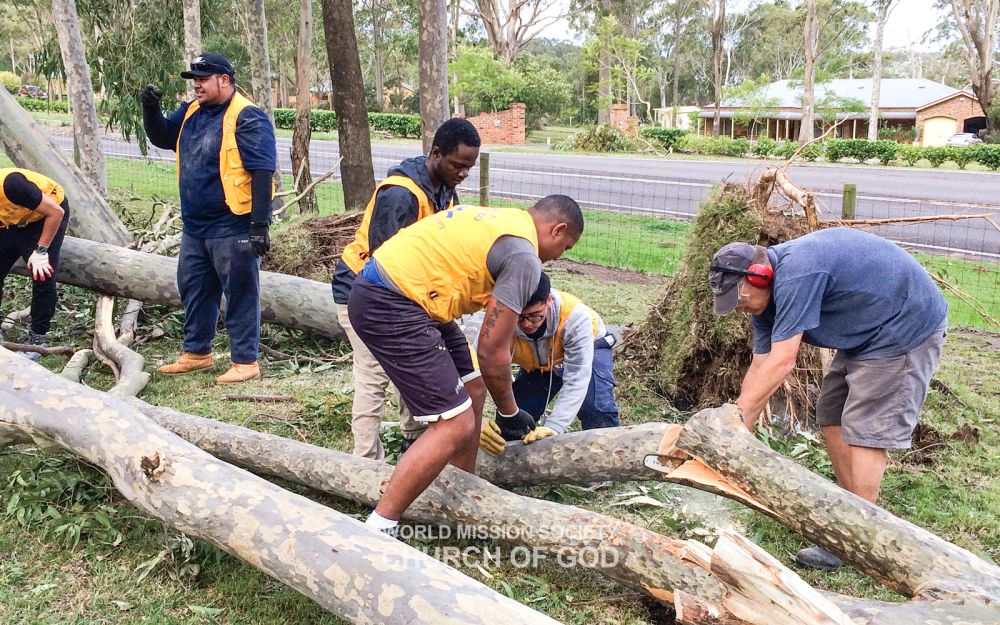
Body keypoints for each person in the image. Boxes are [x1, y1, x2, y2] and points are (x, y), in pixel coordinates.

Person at [708, 227, 947, 570]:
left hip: (905, 325)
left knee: (865, 428)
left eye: (741, 299)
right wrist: (735, 423)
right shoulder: (765, 305)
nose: (739, 309)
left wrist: (739, 419)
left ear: (761, 277)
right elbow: (761, 363)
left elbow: (782, 361)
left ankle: (859, 539)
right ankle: (850, 510)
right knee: (830, 413)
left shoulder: (797, 275)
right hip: (867, 332)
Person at [348, 196, 584, 533]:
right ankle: (380, 526)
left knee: (473, 386)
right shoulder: (524, 257)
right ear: (557, 229)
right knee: (454, 423)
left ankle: (461, 489)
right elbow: (491, 350)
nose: (562, 255)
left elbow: (484, 358)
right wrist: (510, 412)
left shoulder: (506, 221)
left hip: (409, 294)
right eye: (567, 245)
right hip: (390, 300)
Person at [332, 118, 481, 460]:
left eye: (469, 168)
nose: (462, 174)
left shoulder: (443, 188)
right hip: (365, 293)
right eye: (458, 165)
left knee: (414, 362)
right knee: (375, 374)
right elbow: (383, 263)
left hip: (408, 297)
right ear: (436, 154)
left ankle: (414, 435)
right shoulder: (400, 194)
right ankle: (365, 460)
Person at [139, 53, 277, 384]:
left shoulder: (248, 117)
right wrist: (150, 109)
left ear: (224, 80)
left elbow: (263, 172)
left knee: (241, 293)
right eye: (193, 80)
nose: (196, 85)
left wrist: (259, 225)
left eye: (203, 79)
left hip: (233, 224)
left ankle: (245, 362)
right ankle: (197, 354)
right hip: (196, 226)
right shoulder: (191, 112)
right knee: (195, 290)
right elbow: (162, 138)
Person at [477, 272, 619, 455]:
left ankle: (606, 461)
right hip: (539, 364)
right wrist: (475, 421)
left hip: (589, 349)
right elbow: (477, 368)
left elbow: (577, 377)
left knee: (597, 407)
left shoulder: (576, 318)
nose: (527, 324)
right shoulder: (498, 318)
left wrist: (555, 426)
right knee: (512, 421)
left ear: (548, 300)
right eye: (519, 317)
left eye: (535, 316)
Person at [0, 168, 69, 361]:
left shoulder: (12, 185)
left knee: (42, 273)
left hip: (46, 216)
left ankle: (38, 338)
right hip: (10, 221)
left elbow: (56, 213)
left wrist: (41, 251)